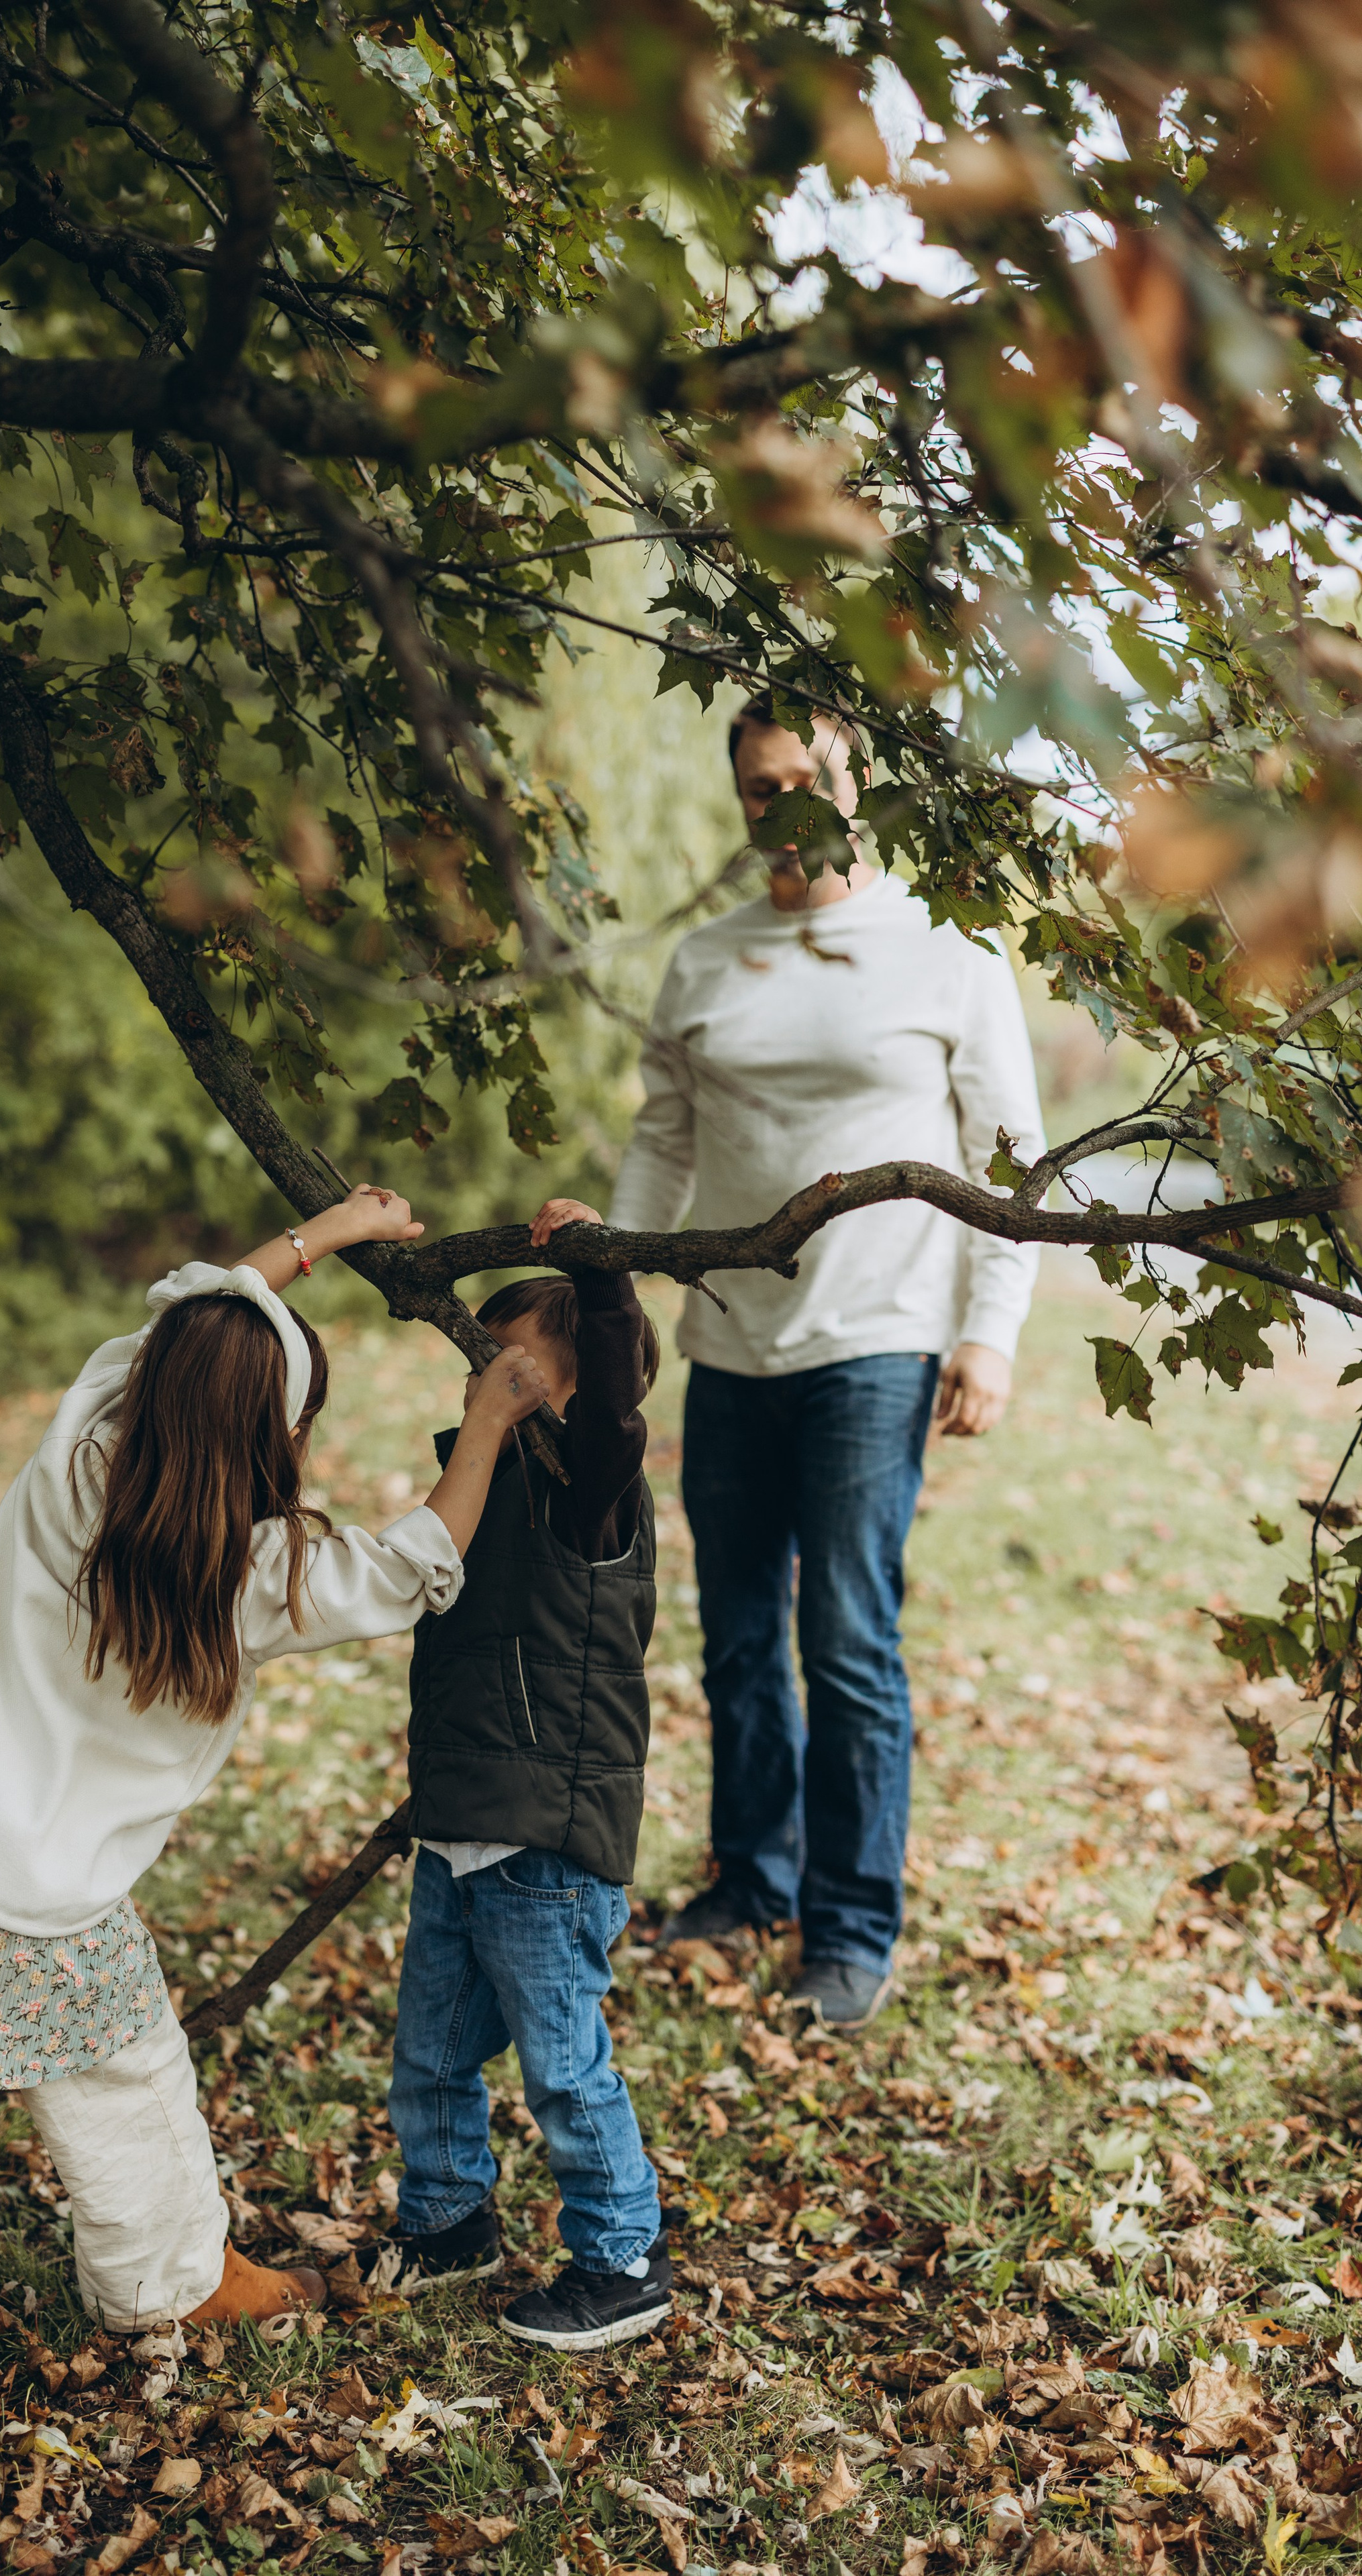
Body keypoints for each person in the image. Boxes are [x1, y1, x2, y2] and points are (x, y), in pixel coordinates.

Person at [0, 1183, 552, 2422]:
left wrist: (320, 1238)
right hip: (45, 1900)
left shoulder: (79, 1442)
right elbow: (416, 1563)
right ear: (270, 1440)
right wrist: (488, 1421)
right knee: (130, 2095)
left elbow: (193, 1307)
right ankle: (170, 2285)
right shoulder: (254, 1574)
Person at [609, 698, 1046, 2029]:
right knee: (736, 1639)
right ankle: (751, 1879)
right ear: (736, 799)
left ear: (856, 785)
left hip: (879, 1340)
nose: (783, 806)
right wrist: (610, 1275)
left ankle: (848, 1928)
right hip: (727, 1342)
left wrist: (988, 1330)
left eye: (807, 780)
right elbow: (661, 1142)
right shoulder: (703, 960)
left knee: (844, 1637)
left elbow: (1010, 1157)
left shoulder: (945, 949)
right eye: (758, 787)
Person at [360, 1199, 669, 2353]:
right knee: (432, 2050)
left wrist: (597, 1265)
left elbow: (621, 1397)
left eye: (512, 1364)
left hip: (545, 1836)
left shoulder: (594, 1491)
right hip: (464, 1825)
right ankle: (448, 2219)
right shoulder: (478, 1486)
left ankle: (623, 2253)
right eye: (476, 1359)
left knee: (562, 2064)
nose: (484, 1380)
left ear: (574, 1382)